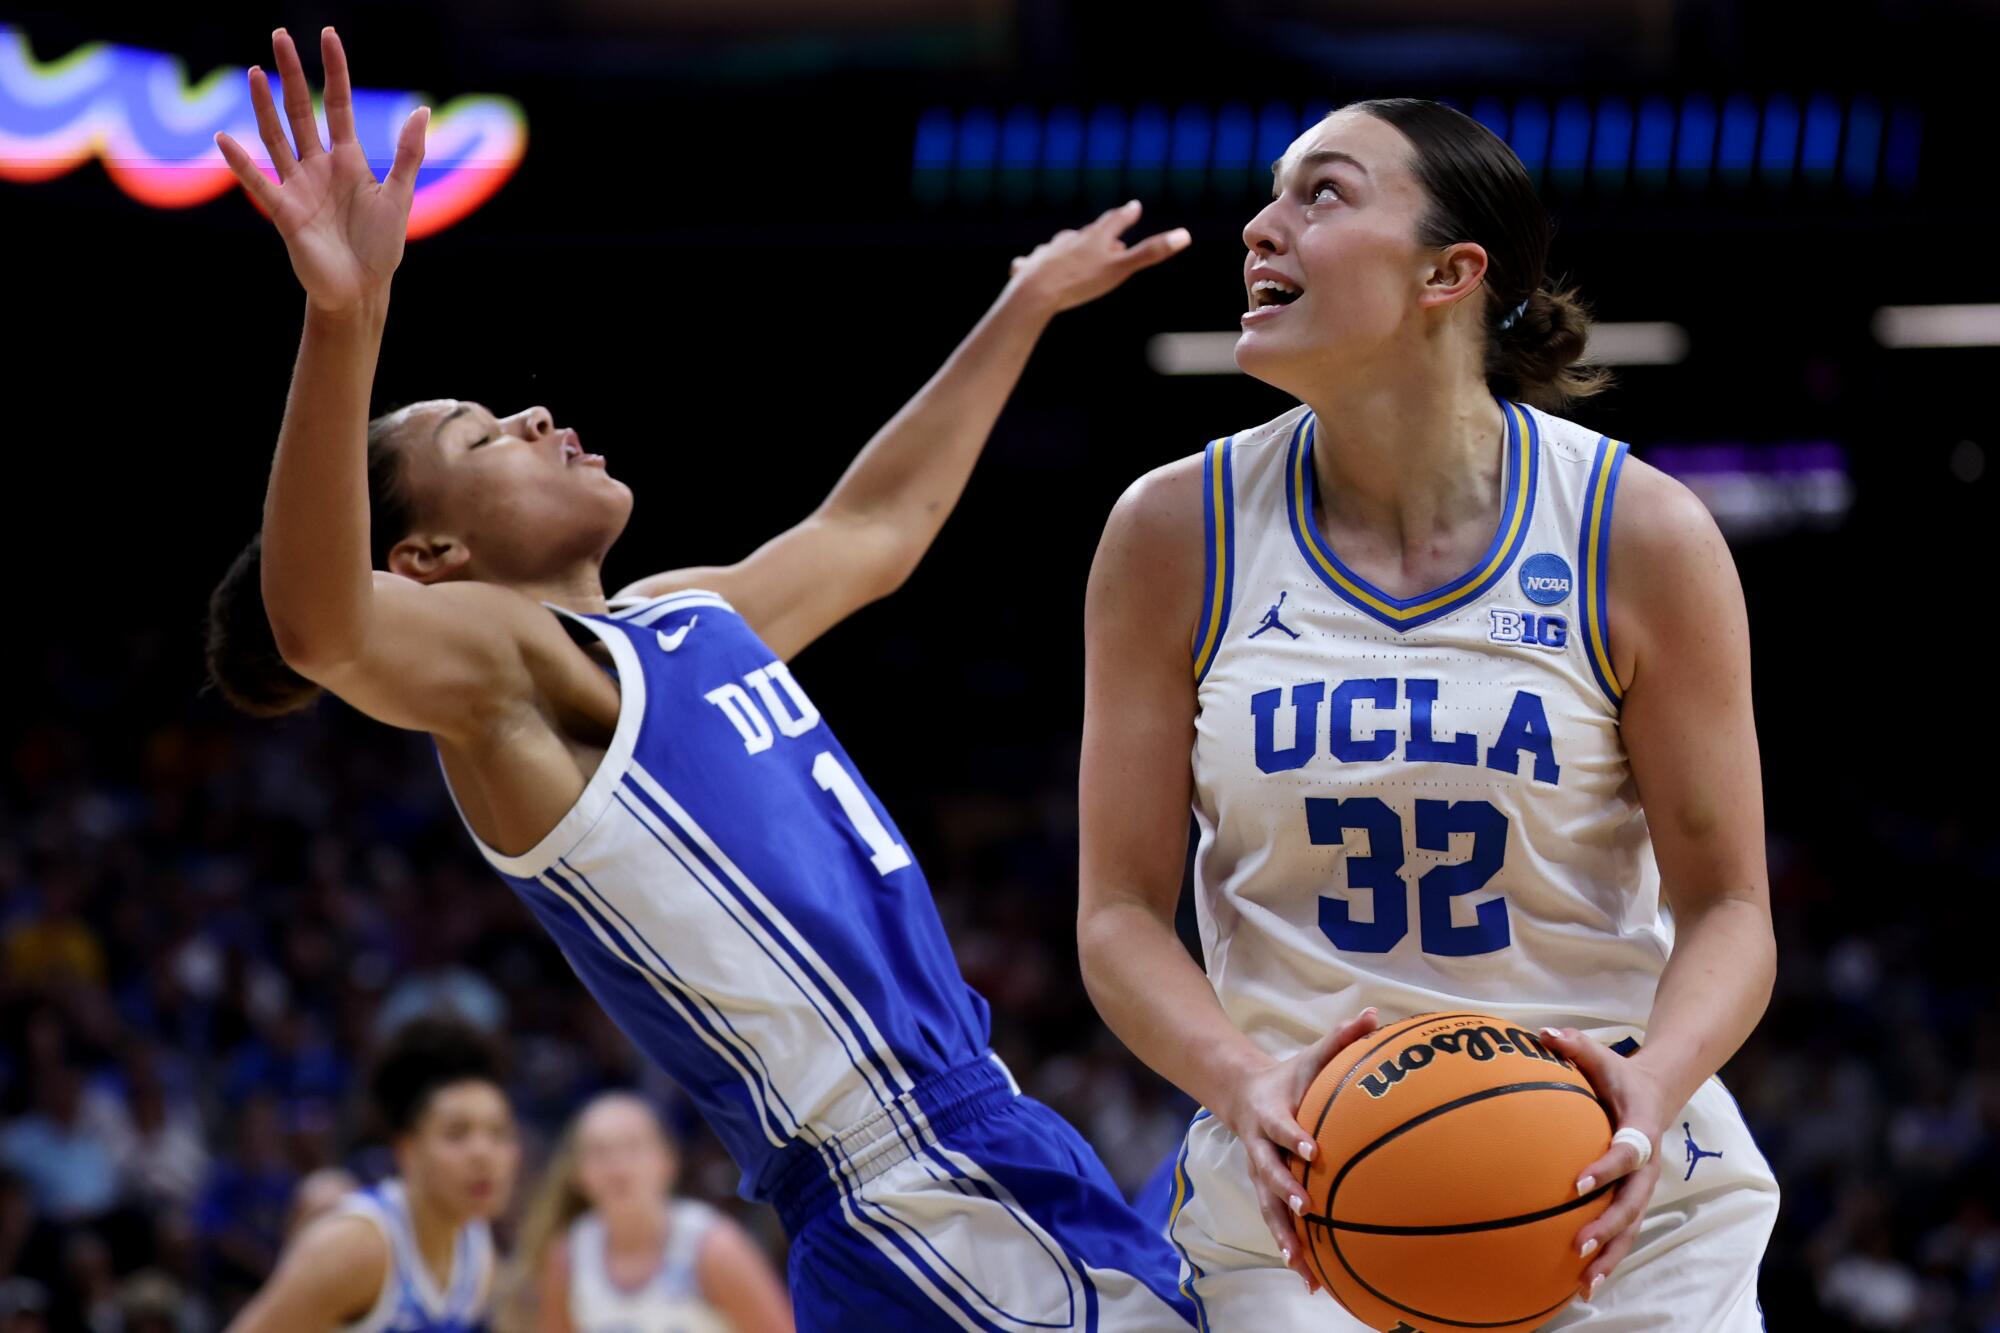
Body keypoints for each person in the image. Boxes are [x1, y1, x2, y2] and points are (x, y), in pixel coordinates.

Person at [204, 26, 1194, 1330]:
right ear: (429, 555)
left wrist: (1023, 302)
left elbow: (871, 534)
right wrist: (349, 314)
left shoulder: (676, 618)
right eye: (486, 434)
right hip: (905, 1182)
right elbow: (321, 622)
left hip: (983, 1135)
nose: (541, 419)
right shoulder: (515, 680)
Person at [1076, 98, 1779, 1328]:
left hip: (1609, 1172)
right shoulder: (1169, 533)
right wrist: (1242, 1083)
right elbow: (1117, 913)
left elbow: (1729, 906)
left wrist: (1649, 1090)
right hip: (1304, 1177)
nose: (1259, 228)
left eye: (1322, 195)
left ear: (1450, 273)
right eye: (1271, 195)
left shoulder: (1638, 530)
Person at [225, 1017, 520, 1333]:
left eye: (499, 1133)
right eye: (456, 1134)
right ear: (407, 1149)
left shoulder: (476, 1251)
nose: (483, 1155)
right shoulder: (357, 1245)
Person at [509, 1091, 791, 1332]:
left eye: (632, 1147)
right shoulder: (567, 1255)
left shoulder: (713, 1246)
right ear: (577, 1173)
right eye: (599, 1151)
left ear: (668, 1160)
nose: (617, 1165)